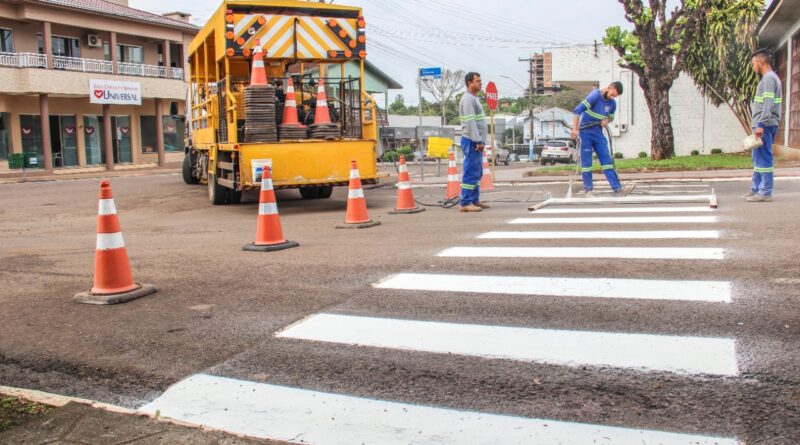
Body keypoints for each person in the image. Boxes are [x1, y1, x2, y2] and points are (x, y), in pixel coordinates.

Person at [570, 82, 631, 197]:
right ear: (609, 87)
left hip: (598, 133)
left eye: (615, 96)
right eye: (612, 95)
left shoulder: (612, 104)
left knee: (607, 161)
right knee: (587, 163)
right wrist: (575, 129)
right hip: (585, 133)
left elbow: (611, 118)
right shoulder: (595, 96)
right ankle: (588, 190)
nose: (612, 98)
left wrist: (606, 121)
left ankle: (617, 188)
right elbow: (577, 110)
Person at [745, 48, 782, 202]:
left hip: (765, 125)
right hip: (765, 124)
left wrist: (760, 124)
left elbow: (768, 104)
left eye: (753, 63)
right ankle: (756, 189)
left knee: (764, 158)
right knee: (758, 158)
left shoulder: (768, 79)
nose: (753, 67)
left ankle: (765, 192)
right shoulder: (771, 78)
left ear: (760, 62)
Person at [458, 72, 489, 212]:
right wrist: (478, 141)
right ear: (469, 83)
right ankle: (465, 202)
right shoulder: (468, 99)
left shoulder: (473, 98)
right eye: (478, 81)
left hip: (475, 141)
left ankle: (474, 200)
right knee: (471, 172)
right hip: (471, 141)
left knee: (477, 173)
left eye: (480, 80)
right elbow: (470, 123)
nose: (480, 83)